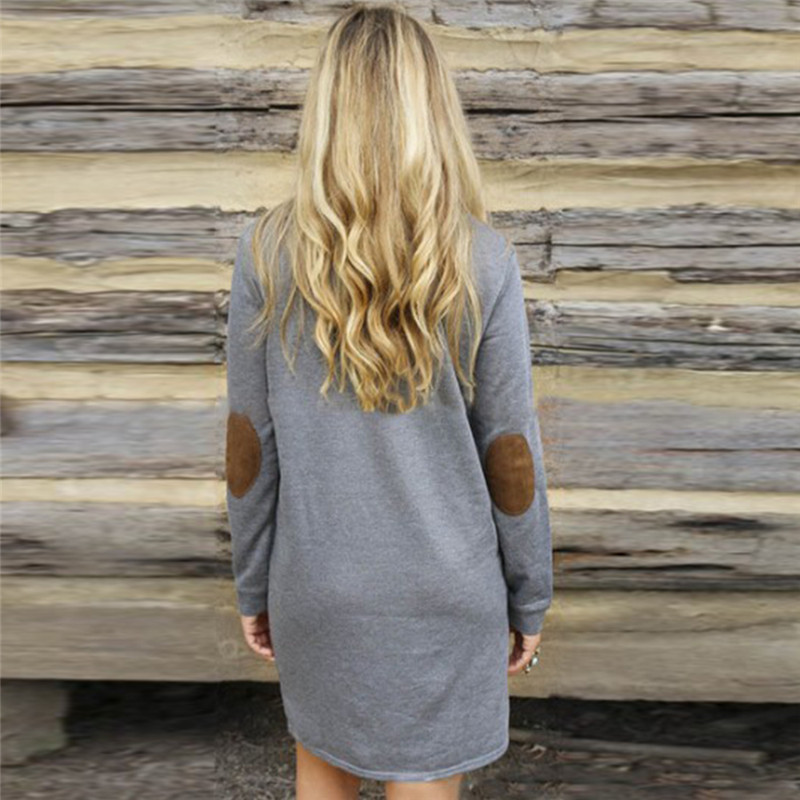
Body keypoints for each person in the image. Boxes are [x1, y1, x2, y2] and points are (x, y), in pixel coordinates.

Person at [224, 4, 553, 798]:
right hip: (449, 592)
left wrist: (254, 583)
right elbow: (510, 455)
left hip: (319, 590)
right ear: (431, 108)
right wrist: (530, 595)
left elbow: (247, 449)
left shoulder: (267, 251)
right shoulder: (484, 259)